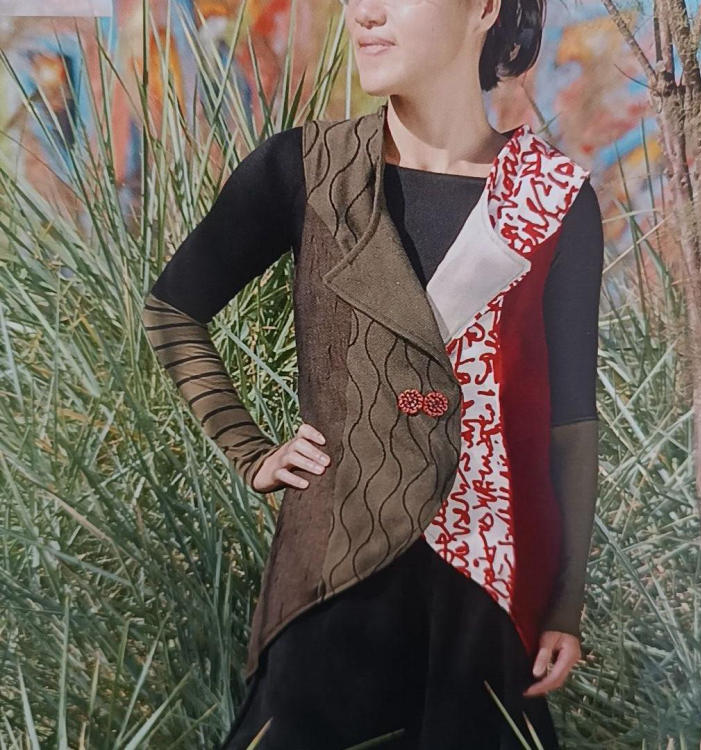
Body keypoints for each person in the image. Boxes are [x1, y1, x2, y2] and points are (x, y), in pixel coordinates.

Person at [141, 0, 603, 747]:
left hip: (488, 597)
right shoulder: (305, 168)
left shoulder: (555, 197)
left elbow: (571, 424)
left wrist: (563, 608)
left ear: (485, 8)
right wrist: (251, 451)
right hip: (331, 583)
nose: (365, 12)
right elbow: (172, 310)